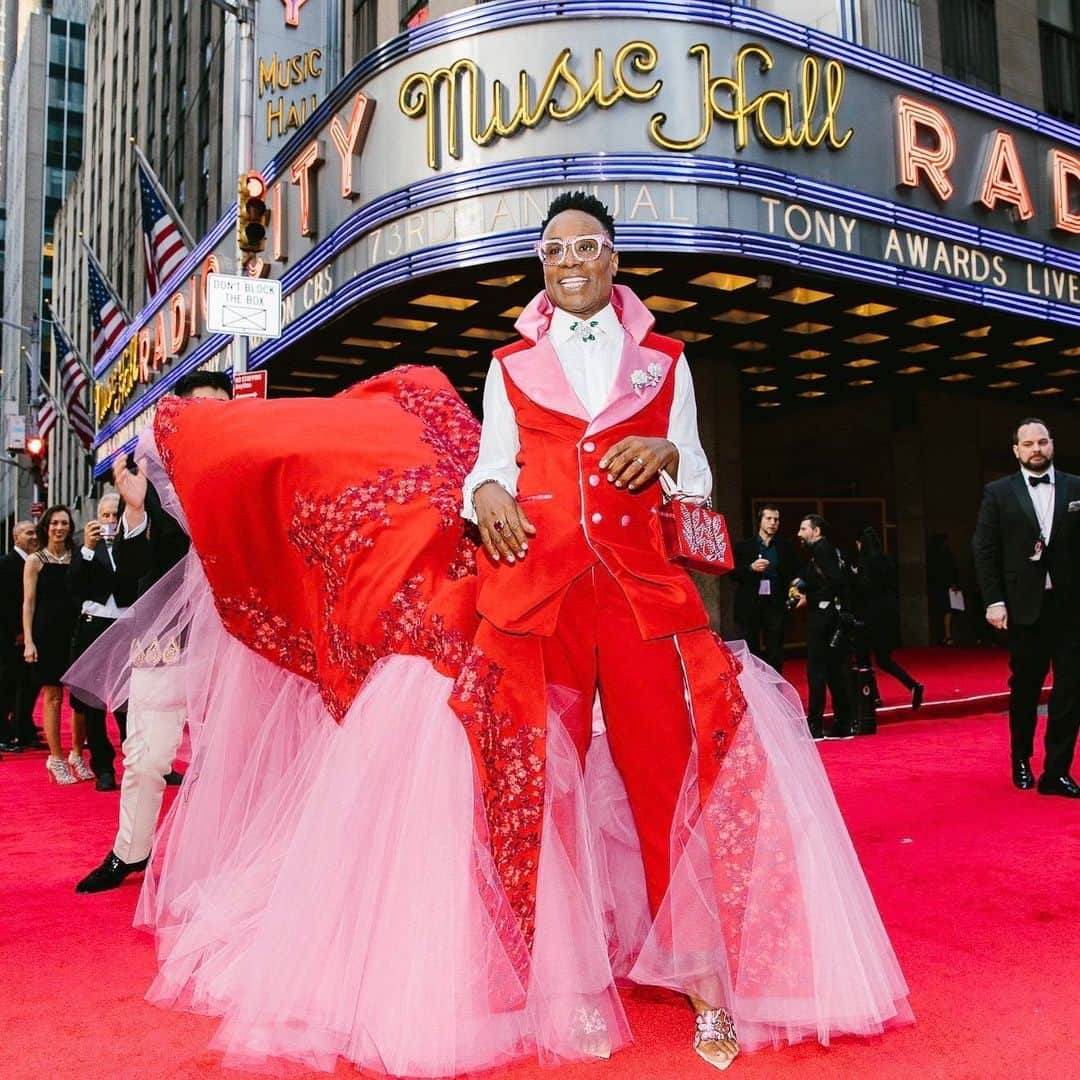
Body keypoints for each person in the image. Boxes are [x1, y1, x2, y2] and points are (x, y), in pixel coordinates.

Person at [66, 193, 910, 1075]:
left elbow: (695, 481)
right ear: (542, 266)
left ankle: (701, 976)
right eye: (554, 250)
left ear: (615, 262)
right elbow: (487, 471)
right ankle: (569, 983)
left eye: (588, 247)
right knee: (538, 786)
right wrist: (492, 496)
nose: (571, 261)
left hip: (640, 600)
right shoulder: (510, 364)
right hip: (534, 599)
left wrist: (665, 458)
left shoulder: (667, 362)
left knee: (672, 780)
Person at [73, 370, 232, 892]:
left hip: (235, 640)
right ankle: (129, 854)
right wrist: (137, 511)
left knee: (230, 756)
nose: (211, 411)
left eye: (221, 404)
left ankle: (226, 861)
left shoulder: (243, 469)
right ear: (179, 412)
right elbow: (136, 565)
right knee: (146, 758)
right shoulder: (154, 477)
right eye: (201, 403)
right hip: (166, 637)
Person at [972, 418, 1080, 797]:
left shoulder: (1076, 487)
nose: (1036, 449)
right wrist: (994, 600)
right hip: (1023, 607)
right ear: (1016, 450)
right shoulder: (997, 492)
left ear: (1052, 444)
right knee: (1026, 688)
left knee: (1072, 688)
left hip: (1071, 608)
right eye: (1028, 444)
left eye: (1042, 442)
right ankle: (1021, 758)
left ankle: (1057, 770)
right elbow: (985, 550)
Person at [68, 494, 138, 791]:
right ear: (96, 518)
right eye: (105, 515)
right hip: (93, 625)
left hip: (126, 624)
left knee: (130, 698)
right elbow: (73, 586)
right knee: (93, 700)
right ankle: (103, 766)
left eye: (114, 515)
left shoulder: (133, 543)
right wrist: (86, 549)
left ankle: (137, 759)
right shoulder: (84, 549)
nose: (110, 521)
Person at [23, 505, 88, 783]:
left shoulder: (78, 557)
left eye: (64, 523)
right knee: (53, 696)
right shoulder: (35, 560)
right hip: (47, 633)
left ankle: (76, 754)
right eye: (54, 523)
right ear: (46, 527)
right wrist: (28, 640)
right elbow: (28, 602)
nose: (59, 528)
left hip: (75, 631)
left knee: (82, 698)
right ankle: (56, 758)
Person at [794, 514, 854, 740]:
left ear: (816, 532)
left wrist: (809, 597)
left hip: (822, 617)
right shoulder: (827, 551)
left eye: (803, 529)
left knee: (817, 671)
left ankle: (815, 725)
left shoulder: (821, 551)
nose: (799, 534)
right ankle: (842, 724)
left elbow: (835, 582)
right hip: (831, 616)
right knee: (834, 670)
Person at [853, 527, 924, 710]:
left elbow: (864, 588)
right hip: (888, 615)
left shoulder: (864, 563)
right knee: (884, 658)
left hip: (869, 615)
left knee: (863, 659)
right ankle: (911, 684)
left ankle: (873, 696)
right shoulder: (887, 561)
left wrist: (854, 576)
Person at [731, 505, 796, 673]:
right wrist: (751, 568)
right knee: (751, 651)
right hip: (750, 604)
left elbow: (793, 571)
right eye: (769, 519)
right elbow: (732, 574)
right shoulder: (744, 547)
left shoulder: (785, 547)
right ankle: (757, 693)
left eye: (776, 519)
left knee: (775, 652)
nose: (773, 523)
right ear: (760, 521)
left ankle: (775, 692)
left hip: (775, 604)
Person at [0, 520, 43, 752]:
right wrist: (17, 631)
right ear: (16, 538)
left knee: (28, 685)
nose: (33, 536)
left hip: (30, 636)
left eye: (35, 532)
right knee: (7, 685)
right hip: (11, 638)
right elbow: (6, 602)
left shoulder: (35, 562)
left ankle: (23, 728)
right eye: (28, 533)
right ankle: (3, 733)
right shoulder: (7, 564)